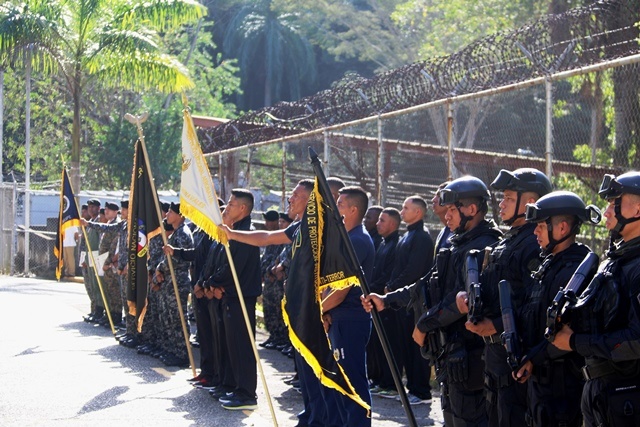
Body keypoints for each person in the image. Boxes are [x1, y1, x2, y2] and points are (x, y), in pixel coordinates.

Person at [221, 179, 321, 425]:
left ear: (310, 200)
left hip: (312, 307)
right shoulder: (299, 227)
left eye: (295, 195)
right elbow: (266, 237)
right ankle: (311, 416)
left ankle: (319, 418)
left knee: (315, 369)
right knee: (304, 369)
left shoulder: (319, 228)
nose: (290, 199)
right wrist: (232, 234)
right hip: (297, 306)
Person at [551, 172, 640, 427]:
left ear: (638, 209)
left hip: (627, 395)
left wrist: (575, 342)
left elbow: (636, 340)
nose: (607, 211)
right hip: (600, 392)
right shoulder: (615, 259)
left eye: (615, 203)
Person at [465, 168, 552, 427]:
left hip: (516, 353)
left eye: (509, 198)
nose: (501, 204)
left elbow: (533, 302)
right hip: (495, 354)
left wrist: (496, 325)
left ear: (530, 202)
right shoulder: (509, 241)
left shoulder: (534, 243)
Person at [413, 176, 502, 426]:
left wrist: (424, 324)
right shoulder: (458, 243)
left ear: (471, 209)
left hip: (471, 359)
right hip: (452, 357)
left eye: (452, 209)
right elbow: (427, 284)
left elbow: (462, 301)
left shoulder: (484, 247)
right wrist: (387, 300)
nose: (447, 215)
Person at [507, 191, 600, 427]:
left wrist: (534, 358)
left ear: (562, 228)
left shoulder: (576, 272)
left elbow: (567, 332)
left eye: (540, 226)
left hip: (562, 387)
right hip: (540, 383)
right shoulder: (548, 265)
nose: (535, 232)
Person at [320, 186, 375, 427]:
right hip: (338, 318)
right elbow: (329, 283)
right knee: (339, 384)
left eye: (340, 204)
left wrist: (319, 311)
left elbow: (341, 291)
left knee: (353, 384)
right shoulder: (347, 238)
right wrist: (324, 310)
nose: (335, 207)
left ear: (353, 210)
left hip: (350, 320)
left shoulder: (357, 241)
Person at [207, 189, 262, 410]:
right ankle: (234, 386)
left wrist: (214, 282)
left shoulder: (245, 233)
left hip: (241, 296)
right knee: (232, 346)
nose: (227, 208)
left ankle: (246, 392)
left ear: (243, 208)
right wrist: (212, 282)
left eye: (231, 204)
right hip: (230, 295)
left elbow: (233, 268)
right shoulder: (235, 230)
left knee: (242, 346)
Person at [384, 195, 435, 405]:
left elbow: (414, 270)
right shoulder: (407, 235)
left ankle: (421, 391)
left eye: (406, 208)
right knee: (405, 344)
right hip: (403, 300)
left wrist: (393, 286)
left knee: (416, 346)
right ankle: (412, 387)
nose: (402, 211)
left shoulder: (422, 237)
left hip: (414, 300)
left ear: (418, 212)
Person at [367, 207, 402, 398]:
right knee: (377, 343)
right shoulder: (383, 243)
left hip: (386, 302)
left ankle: (391, 383)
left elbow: (387, 275)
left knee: (389, 343)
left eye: (382, 220)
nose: (378, 224)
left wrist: (371, 288)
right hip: (375, 299)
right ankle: (380, 380)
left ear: (393, 224)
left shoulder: (395, 245)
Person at [154, 202, 194, 367]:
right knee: (169, 317)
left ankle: (182, 353)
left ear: (180, 215)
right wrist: (159, 269)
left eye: (171, 212)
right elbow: (166, 257)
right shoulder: (176, 233)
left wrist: (160, 269)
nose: (167, 215)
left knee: (178, 319)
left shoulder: (183, 233)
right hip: (169, 281)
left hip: (178, 281)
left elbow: (177, 259)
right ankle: (172, 350)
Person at [83, 201, 123, 329]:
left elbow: (115, 246)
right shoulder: (111, 223)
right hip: (105, 261)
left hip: (111, 262)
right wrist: (88, 223)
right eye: (105, 210)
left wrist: (108, 262)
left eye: (109, 210)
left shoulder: (118, 224)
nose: (106, 212)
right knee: (108, 289)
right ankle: (109, 315)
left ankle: (116, 316)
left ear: (116, 212)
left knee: (114, 291)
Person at [259, 209, 287, 349]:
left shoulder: (281, 239)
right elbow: (266, 258)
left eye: (270, 221)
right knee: (268, 309)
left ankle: (281, 338)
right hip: (269, 280)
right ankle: (273, 336)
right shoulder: (271, 238)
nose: (267, 224)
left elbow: (279, 259)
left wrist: (271, 270)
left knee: (278, 309)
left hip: (277, 281)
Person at [81, 199, 104, 324]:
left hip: (96, 255)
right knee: (93, 285)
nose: (90, 209)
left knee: (98, 284)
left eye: (93, 207)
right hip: (90, 255)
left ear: (98, 208)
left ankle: (100, 312)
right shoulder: (91, 222)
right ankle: (96, 311)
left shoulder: (99, 222)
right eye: (89, 206)